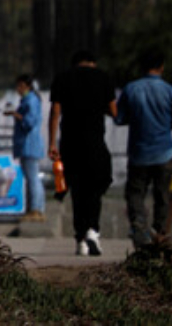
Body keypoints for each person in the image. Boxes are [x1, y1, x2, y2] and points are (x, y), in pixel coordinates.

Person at [114, 50, 172, 248]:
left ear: (142, 67)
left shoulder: (131, 89)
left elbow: (119, 118)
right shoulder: (170, 91)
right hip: (164, 153)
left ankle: (139, 227)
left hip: (138, 153)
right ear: (162, 67)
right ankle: (160, 232)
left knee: (135, 193)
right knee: (162, 194)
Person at [48, 50, 116, 256]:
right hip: (95, 142)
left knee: (77, 191)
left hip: (70, 143)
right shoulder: (103, 77)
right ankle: (93, 230)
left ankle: (80, 240)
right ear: (93, 63)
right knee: (95, 188)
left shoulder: (62, 78)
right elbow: (114, 111)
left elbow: (55, 112)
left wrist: (52, 143)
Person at [5, 74, 45, 222]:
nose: (18, 89)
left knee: (33, 178)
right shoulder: (29, 100)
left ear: (26, 86)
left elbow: (29, 122)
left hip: (29, 144)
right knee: (32, 178)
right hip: (28, 145)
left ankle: (36, 209)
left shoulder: (31, 100)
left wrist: (15, 114)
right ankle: (36, 208)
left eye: (19, 86)